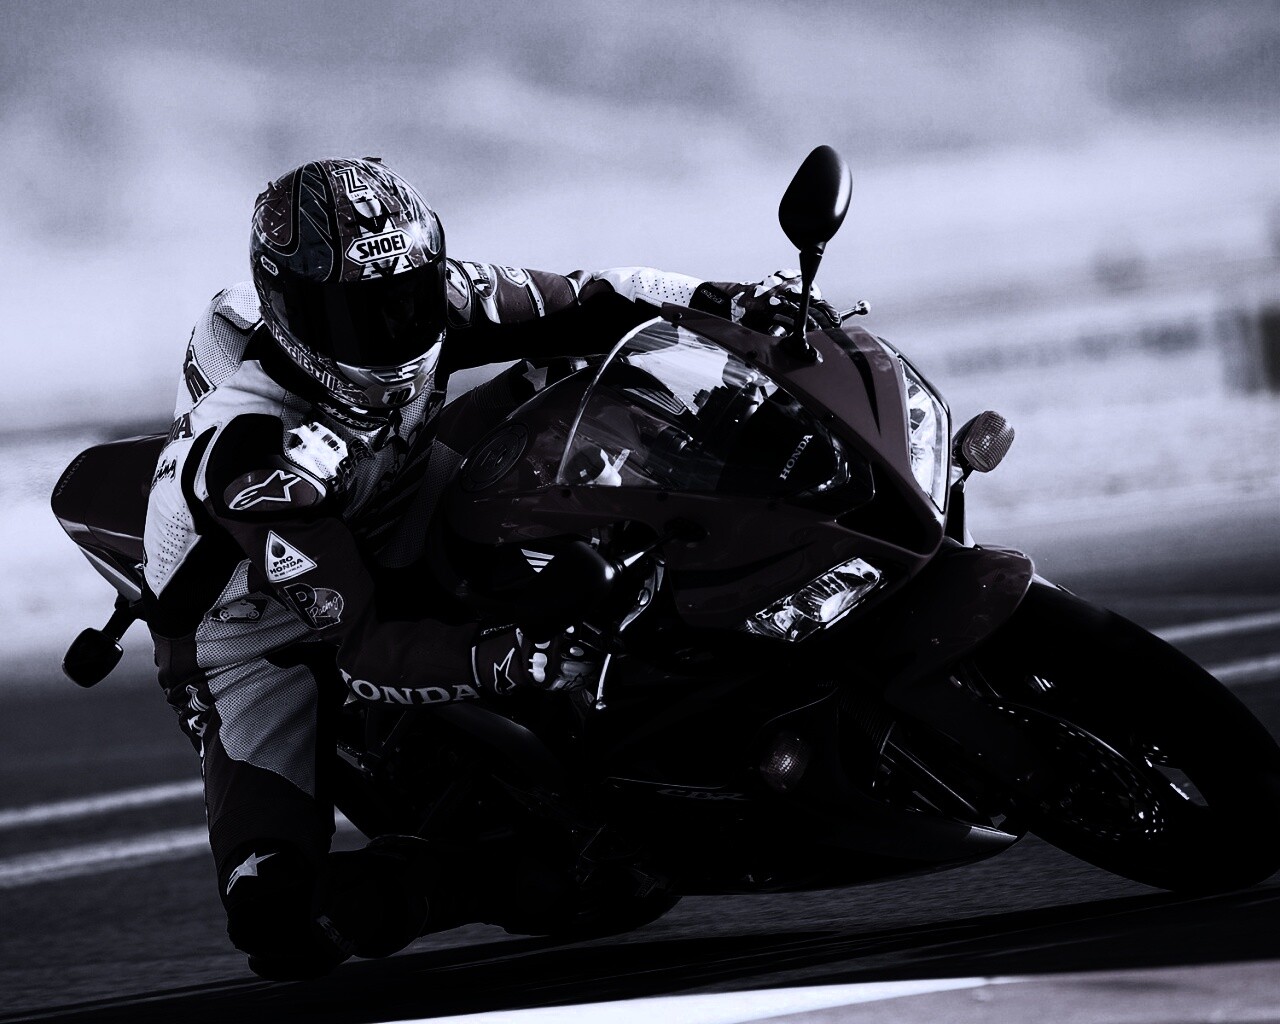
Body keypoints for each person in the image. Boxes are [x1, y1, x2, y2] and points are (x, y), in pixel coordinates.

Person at [141, 156, 837, 979]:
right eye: (359, 315)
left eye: (407, 296)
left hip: (401, 492)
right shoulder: (254, 457)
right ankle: (448, 877)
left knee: (576, 374)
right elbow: (363, 648)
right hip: (261, 628)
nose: (396, 328)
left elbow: (591, 296)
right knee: (280, 921)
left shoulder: (435, 295)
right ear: (291, 313)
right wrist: (510, 657)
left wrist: (726, 300)